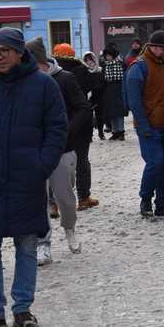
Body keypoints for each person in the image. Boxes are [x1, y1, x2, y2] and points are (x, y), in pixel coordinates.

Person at [0, 28, 67, 327]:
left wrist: (41, 165)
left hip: (25, 178)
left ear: (20, 52)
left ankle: (22, 309)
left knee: (27, 244)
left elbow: (57, 129)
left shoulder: (44, 86)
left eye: (4, 50)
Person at [27, 37, 91, 264]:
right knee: (38, 199)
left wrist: (66, 132)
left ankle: (70, 228)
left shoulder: (65, 78)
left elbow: (83, 108)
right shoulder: (24, 83)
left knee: (65, 198)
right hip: (34, 152)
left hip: (63, 150)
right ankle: (43, 244)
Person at [126, 31, 164, 218]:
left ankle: (162, 203)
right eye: (157, 47)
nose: (160, 51)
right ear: (150, 46)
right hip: (150, 125)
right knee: (155, 162)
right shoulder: (139, 67)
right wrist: (142, 125)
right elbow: (134, 101)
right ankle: (145, 200)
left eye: (163, 48)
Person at [53, 43, 101, 211]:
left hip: (59, 122)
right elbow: (98, 86)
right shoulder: (81, 70)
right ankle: (83, 197)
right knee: (81, 160)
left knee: (55, 162)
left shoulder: (51, 73)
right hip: (81, 123)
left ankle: (54, 203)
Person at [102, 43, 127, 141]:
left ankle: (121, 131)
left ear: (113, 55)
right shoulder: (105, 65)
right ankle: (115, 132)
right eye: (106, 55)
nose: (107, 57)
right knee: (111, 113)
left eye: (109, 55)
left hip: (119, 90)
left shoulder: (121, 64)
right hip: (109, 91)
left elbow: (124, 77)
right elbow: (103, 79)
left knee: (119, 113)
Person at [83, 51, 107, 140]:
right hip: (88, 97)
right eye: (86, 60)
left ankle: (101, 133)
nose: (89, 62)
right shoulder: (84, 71)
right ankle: (90, 135)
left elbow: (103, 83)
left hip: (99, 97)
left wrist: (96, 88)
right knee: (88, 117)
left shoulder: (100, 70)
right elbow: (84, 84)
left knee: (100, 116)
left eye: (90, 60)